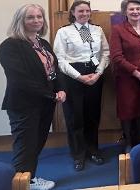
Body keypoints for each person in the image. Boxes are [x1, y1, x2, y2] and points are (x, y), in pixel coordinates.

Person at [0, 4, 66, 189]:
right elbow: (20, 80)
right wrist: (52, 95)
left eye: (39, 16)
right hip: (24, 105)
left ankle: (30, 179)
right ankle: (21, 184)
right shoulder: (10, 45)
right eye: (30, 17)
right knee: (25, 147)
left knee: (36, 144)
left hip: (45, 103)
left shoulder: (42, 43)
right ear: (20, 20)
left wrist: (60, 89)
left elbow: (54, 70)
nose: (36, 20)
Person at [53, 0, 110, 171]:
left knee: (92, 116)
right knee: (75, 117)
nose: (84, 14)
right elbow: (60, 59)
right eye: (80, 11)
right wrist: (79, 77)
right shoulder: (64, 32)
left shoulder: (97, 30)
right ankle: (78, 154)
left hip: (94, 74)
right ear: (73, 13)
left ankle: (93, 150)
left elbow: (105, 53)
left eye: (87, 11)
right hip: (73, 76)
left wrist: (98, 73)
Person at [110, 0, 140, 152]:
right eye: (131, 9)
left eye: (138, 8)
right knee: (128, 111)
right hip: (127, 79)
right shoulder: (118, 29)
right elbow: (117, 57)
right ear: (125, 12)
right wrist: (138, 74)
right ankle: (129, 144)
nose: (135, 11)